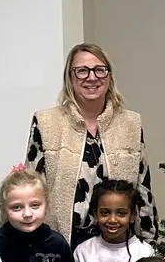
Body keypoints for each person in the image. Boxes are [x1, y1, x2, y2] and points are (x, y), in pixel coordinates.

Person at [24, 42, 157, 245]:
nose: (92, 77)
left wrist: (149, 244)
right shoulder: (46, 122)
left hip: (118, 242)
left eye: (99, 70)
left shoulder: (130, 123)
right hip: (63, 244)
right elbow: (32, 187)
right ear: (70, 77)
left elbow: (143, 187)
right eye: (82, 71)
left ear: (109, 76)